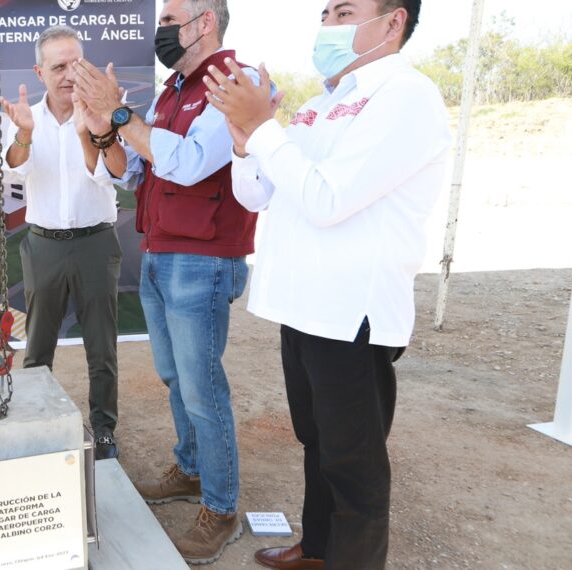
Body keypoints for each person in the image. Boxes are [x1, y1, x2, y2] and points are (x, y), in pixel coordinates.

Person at [204, 1, 450, 568]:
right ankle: (318, 549)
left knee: (353, 463)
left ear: (393, 22)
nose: (328, 27)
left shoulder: (405, 96)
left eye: (344, 13)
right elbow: (257, 194)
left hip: (349, 312)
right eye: (325, 15)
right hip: (303, 306)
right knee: (317, 440)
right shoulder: (321, 105)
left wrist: (264, 129)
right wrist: (245, 141)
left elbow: (326, 199)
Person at [70, 0, 260, 564]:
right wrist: (102, 132)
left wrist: (121, 115)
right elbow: (134, 170)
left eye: (171, 19)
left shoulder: (235, 82)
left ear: (206, 22)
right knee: (176, 377)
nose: (162, 30)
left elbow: (191, 162)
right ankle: (192, 469)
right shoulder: (172, 91)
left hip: (203, 259)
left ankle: (221, 508)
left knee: (202, 387)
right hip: (159, 250)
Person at [0, 25, 128, 460]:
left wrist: (91, 132)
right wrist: (24, 133)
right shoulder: (25, 117)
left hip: (96, 242)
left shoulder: (103, 112)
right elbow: (15, 166)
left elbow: (113, 172)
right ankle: (36, 430)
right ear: (40, 72)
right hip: (44, 246)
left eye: (76, 64)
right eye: (58, 67)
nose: (69, 75)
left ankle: (104, 431)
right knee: (38, 348)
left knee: (101, 348)